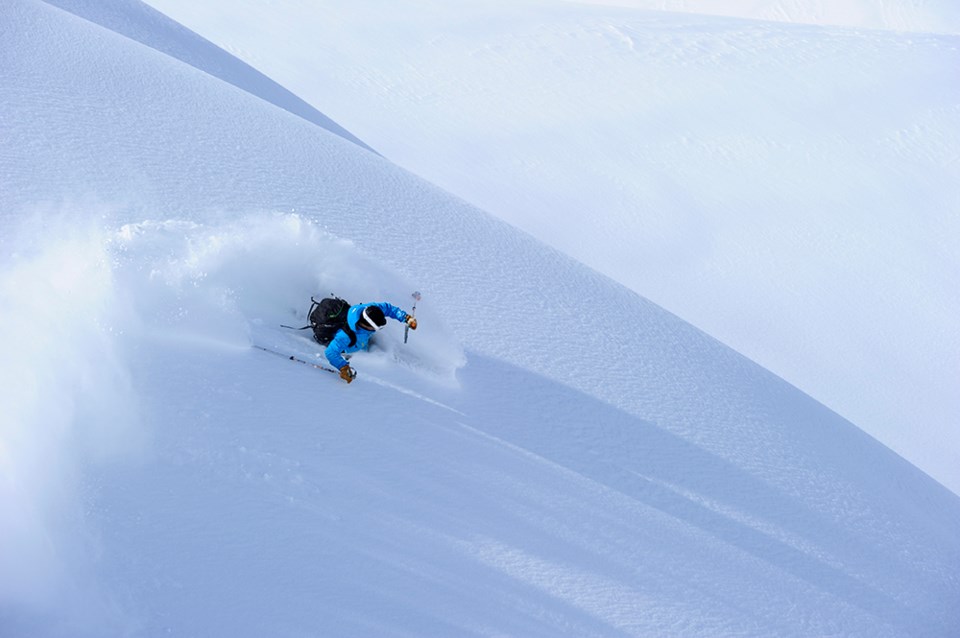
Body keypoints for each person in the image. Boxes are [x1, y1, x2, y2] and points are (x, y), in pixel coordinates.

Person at [325, 301, 417, 383]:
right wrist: (343, 367)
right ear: (367, 325)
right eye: (378, 328)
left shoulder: (371, 310)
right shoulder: (345, 336)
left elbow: (388, 308)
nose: (377, 330)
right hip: (350, 348)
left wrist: (406, 318)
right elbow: (330, 352)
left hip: (363, 340)